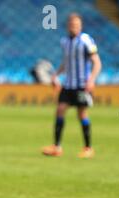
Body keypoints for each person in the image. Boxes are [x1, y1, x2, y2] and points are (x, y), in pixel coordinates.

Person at [42, 13, 102, 158]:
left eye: (76, 24)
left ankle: (88, 148)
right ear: (68, 25)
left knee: (82, 114)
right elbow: (66, 63)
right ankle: (57, 147)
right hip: (68, 84)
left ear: (80, 26)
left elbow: (97, 62)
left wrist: (91, 80)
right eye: (71, 24)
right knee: (60, 110)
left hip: (82, 84)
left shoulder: (86, 40)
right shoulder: (65, 42)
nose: (73, 27)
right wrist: (56, 74)